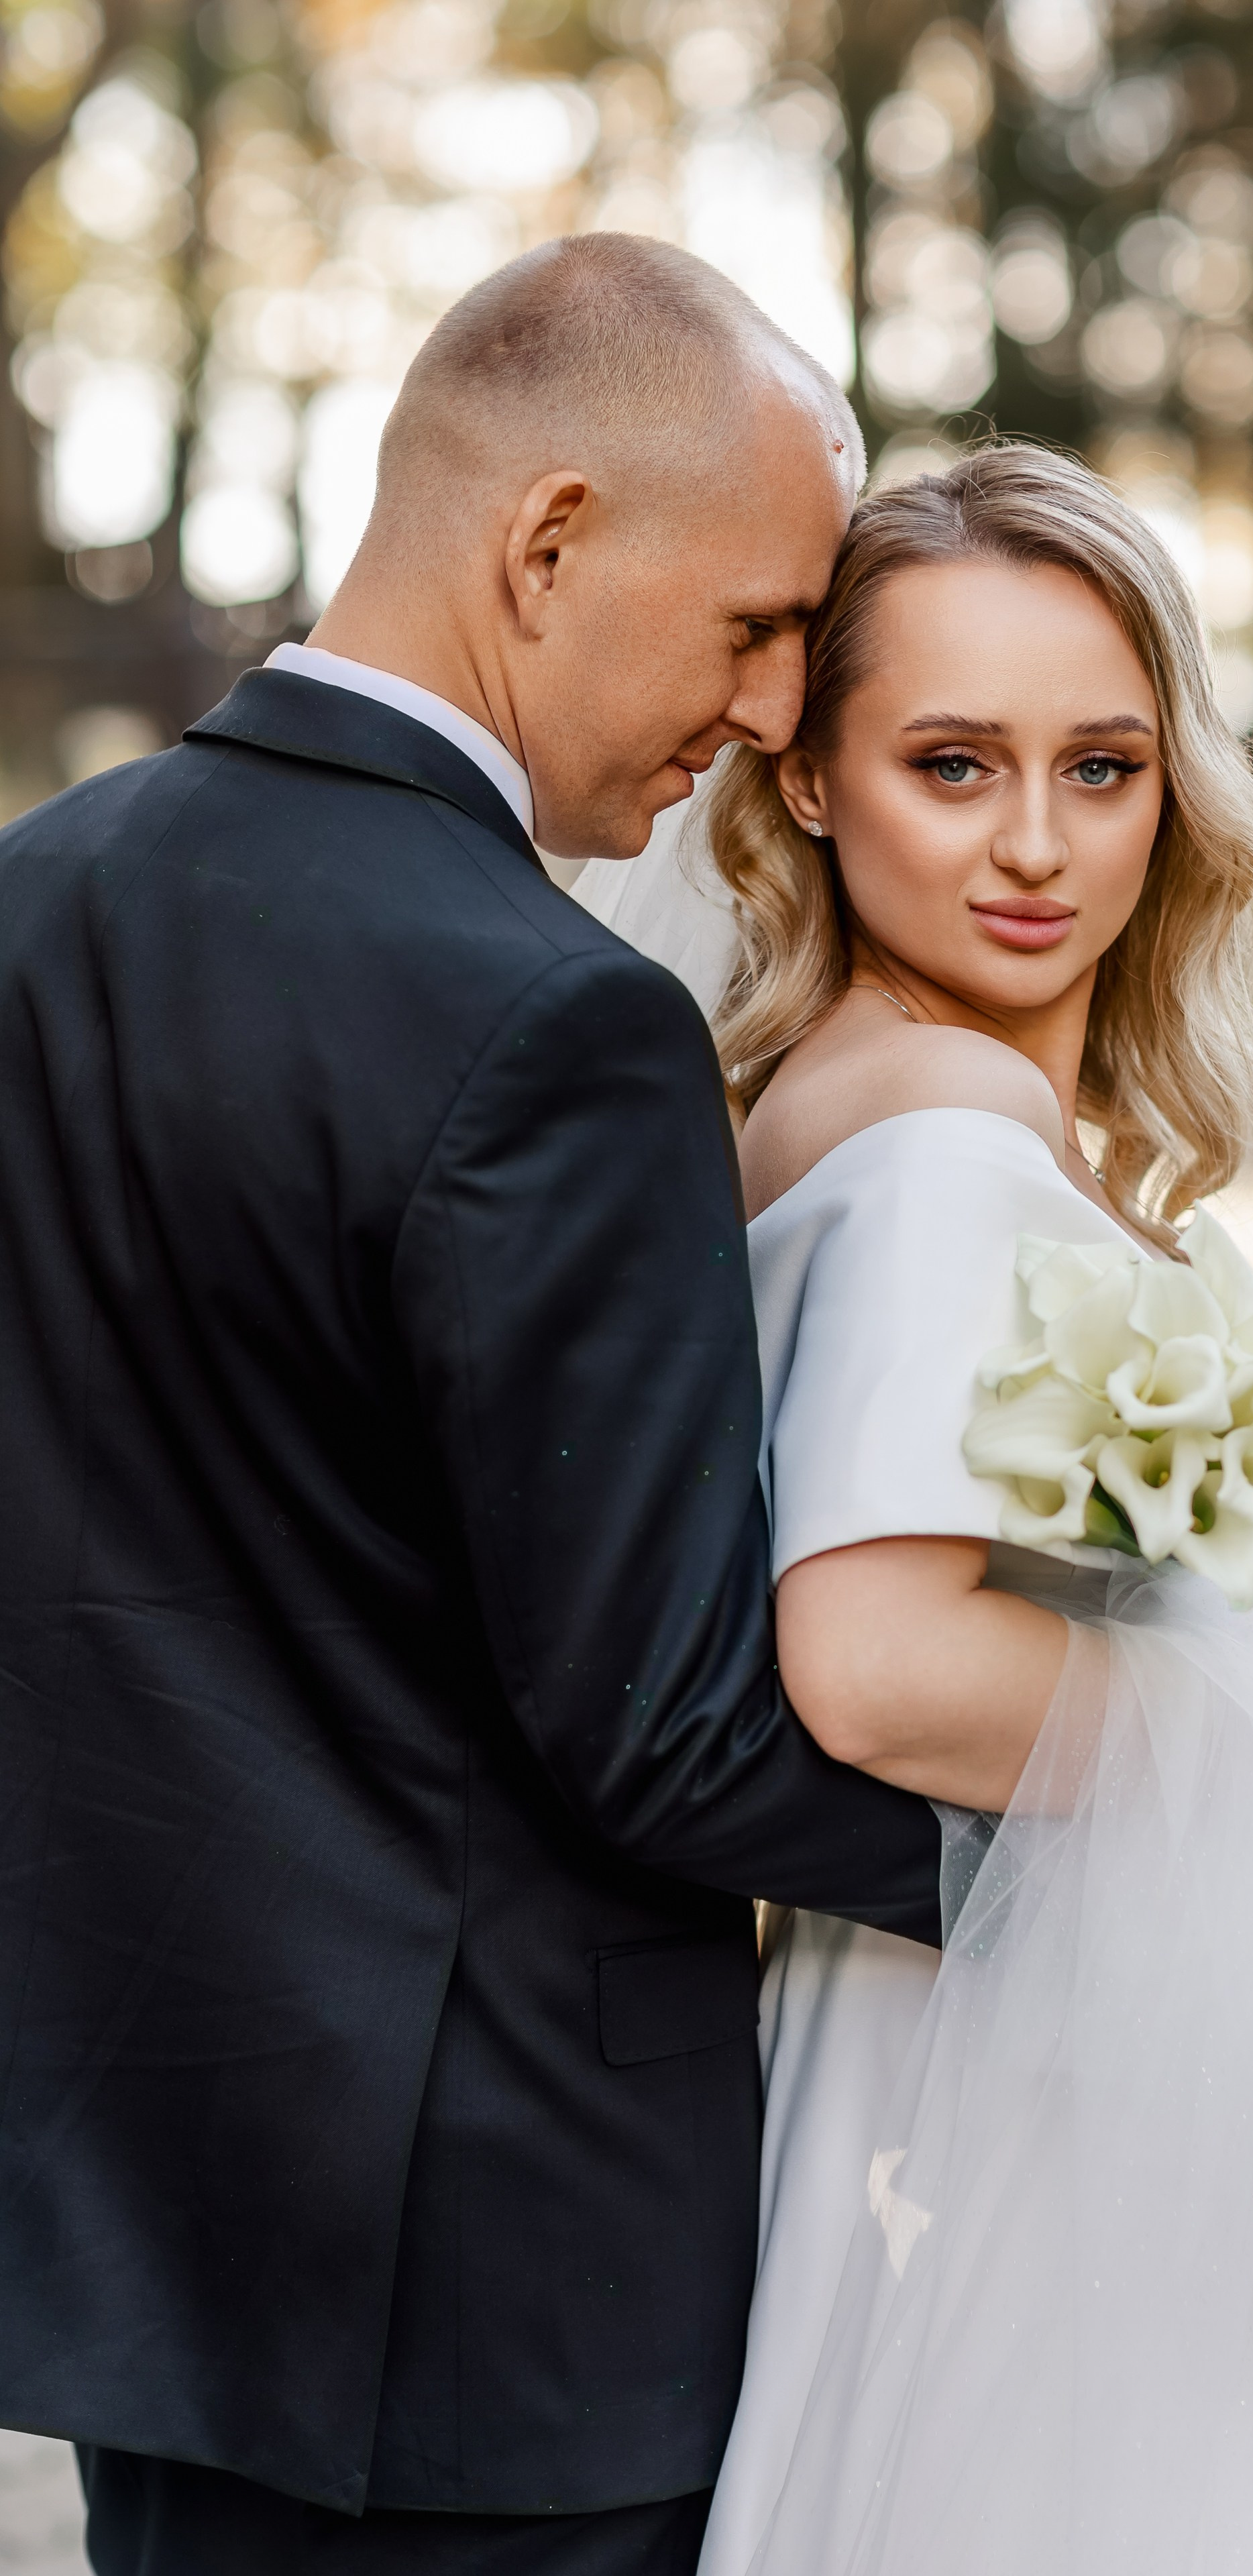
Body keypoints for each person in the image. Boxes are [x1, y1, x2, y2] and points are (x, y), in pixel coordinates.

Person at [603, 445, 1253, 2575]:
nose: (1034, 844)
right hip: (1027, 2088)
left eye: (1101, 767)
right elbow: (883, 1666)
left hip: (1014, 2032)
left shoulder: (826, 1086)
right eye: (950, 762)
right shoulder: (939, 1129)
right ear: (807, 782)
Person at [0, 234, 943, 2576]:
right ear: (547, 542)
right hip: (501, 2287)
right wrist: (1123, 1830)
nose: (760, 706)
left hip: (145, 2217)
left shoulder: (32, 903)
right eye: (748, 624)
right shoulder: (553, 1022)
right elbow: (672, 1735)